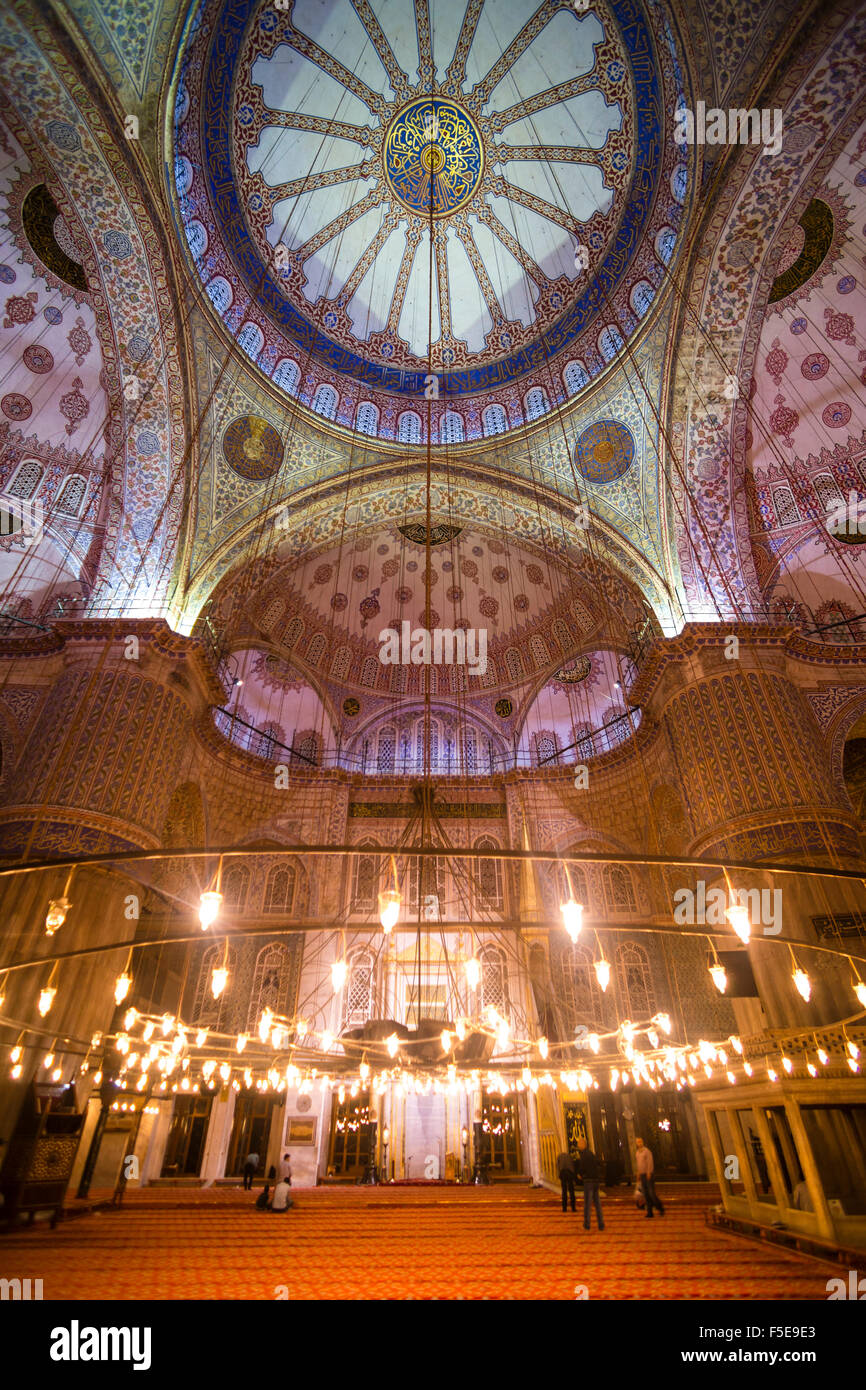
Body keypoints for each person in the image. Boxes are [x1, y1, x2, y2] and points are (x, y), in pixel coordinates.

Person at [576, 1137, 605, 1231]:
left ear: (584, 1144)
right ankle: (601, 1224)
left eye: (579, 1143)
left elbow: (583, 1166)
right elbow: (598, 1163)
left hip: (589, 1181)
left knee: (587, 1204)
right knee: (597, 1204)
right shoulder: (591, 1154)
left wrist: (580, 1174)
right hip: (596, 1180)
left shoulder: (584, 1154)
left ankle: (586, 1224)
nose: (578, 1145)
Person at [635, 1137, 665, 1218]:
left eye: (640, 1141)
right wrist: (638, 1174)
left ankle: (660, 1208)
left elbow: (650, 1162)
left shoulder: (647, 1151)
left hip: (648, 1175)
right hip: (642, 1175)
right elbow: (638, 1164)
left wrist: (649, 1172)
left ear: (642, 1142)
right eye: (638, 1142)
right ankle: (650, 1212)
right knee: (646, 1195)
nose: (639, 1143)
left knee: (651, 1193)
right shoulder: (637, 1153)